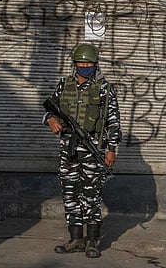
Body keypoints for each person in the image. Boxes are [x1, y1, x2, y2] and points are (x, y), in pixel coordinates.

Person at [42, 42, 121, 258]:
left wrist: (111, 149)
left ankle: (92, 241)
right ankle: (75, 239)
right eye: (81, 62)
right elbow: (49, 110)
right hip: (68, 150)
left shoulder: (105, 89)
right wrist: (50, 119)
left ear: (96, 65)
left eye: (89, 63)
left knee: (91, 196)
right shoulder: (63, 84)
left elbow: (113, 122)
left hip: (92, 149)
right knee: (69, 194)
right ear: (74, 64)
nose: (84, 66)